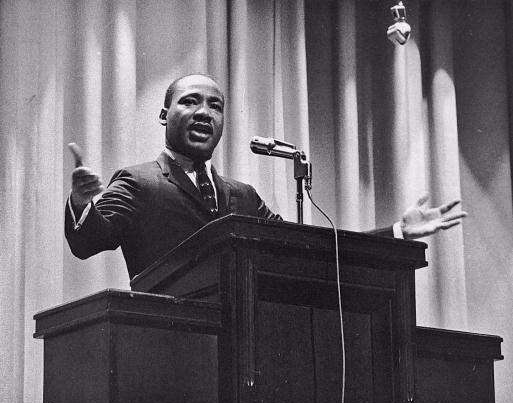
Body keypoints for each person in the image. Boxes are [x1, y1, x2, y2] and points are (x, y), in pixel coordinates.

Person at [65, 74, 466, 278]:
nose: (205, 112)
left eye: (215, 106)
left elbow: (309, 251)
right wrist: (83, 203)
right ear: (164, 115)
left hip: (250, 341)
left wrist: (396, 232)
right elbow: (87, 242)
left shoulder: (244, 196)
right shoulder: (138, 182)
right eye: (190, 102)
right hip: (170, 345)